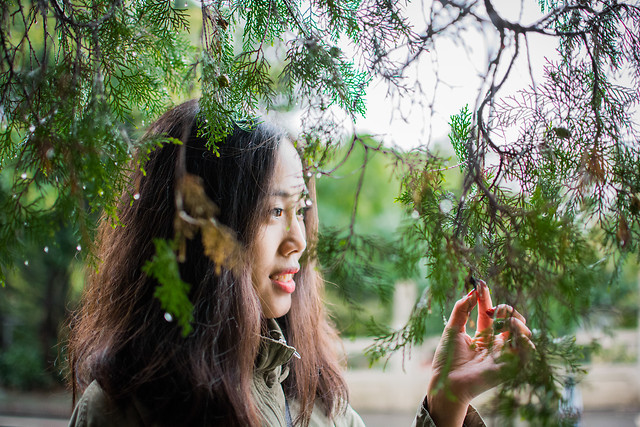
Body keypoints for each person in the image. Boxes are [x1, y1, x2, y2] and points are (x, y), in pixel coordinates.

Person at [67, 99, 531, 427]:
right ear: (204, 226)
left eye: (300, 210)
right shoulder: (122, 412)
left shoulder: (314, 397)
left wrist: (446, 403)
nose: (298, 241)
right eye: (273, 211)